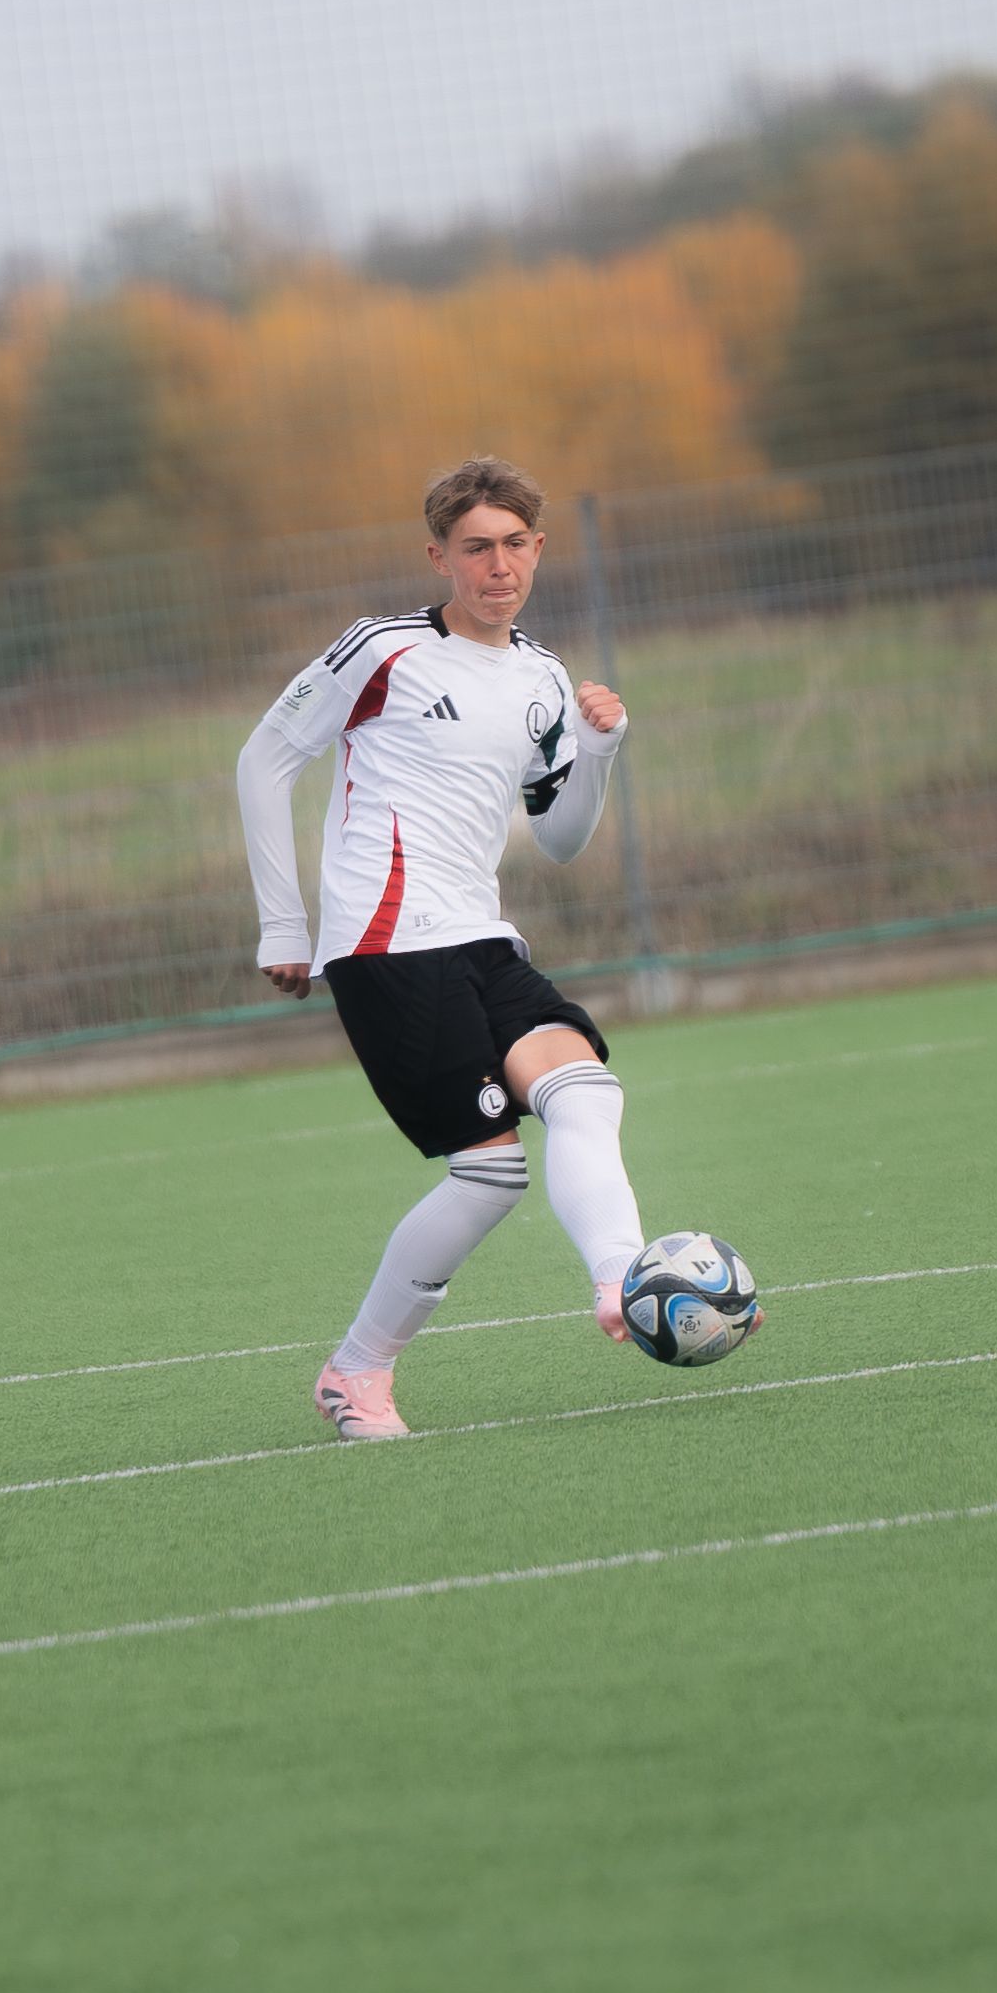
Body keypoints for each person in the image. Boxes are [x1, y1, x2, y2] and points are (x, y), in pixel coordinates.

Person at [234, 456, 647, 1439]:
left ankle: (624, 1279)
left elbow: (558, 838)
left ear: (538, 548)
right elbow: (263, 760)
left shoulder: (544, 677)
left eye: (514, 545)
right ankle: (357, 1373)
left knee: (587, 1091)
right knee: (490, 1172)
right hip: (385, 942)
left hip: (482, 934)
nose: (498, 566)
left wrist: (599, 750)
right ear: (440, 557)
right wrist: (284, 923)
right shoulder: (382, 650)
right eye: (475, 548)